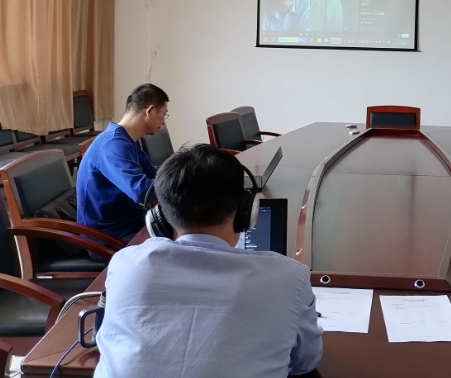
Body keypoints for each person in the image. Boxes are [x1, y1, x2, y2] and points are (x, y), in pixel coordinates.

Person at [93, 144, 323, 378]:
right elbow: (305, 362)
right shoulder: (289, 277)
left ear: (158, 218)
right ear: (247, 211)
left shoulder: (125, 264)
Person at [77, 84, 168, 242]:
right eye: (164, 114)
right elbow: (141, 191)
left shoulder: (128, 139)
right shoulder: (113, 144)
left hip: (130, 221)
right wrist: (180, 188)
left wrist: (182, 176)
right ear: (150, 110)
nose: (164, 121)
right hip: (108, 234)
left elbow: (152, 172)